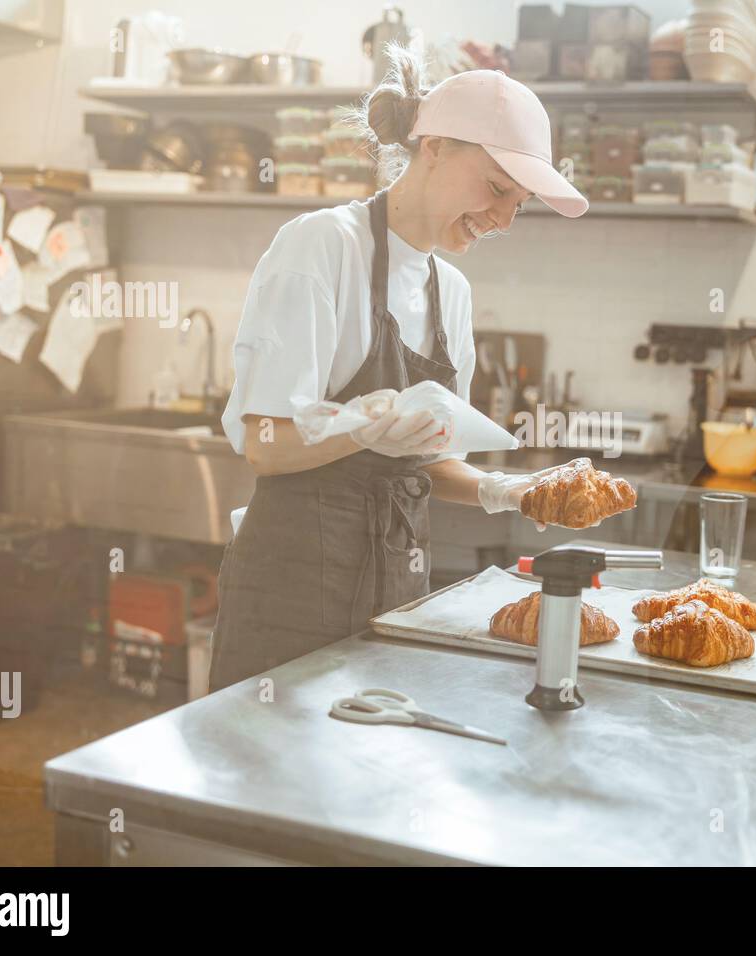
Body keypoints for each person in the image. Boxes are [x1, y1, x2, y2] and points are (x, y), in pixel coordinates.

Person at [208, 49, 588, 690]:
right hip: (291, 597)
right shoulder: (323, 248)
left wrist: (506, 492)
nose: (502, 219)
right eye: (497, 189)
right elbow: (264, 445)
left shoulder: (453, 293)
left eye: (519, 204)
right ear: (434, 146)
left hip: (396, 590)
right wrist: (357, 428)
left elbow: (428, 459)